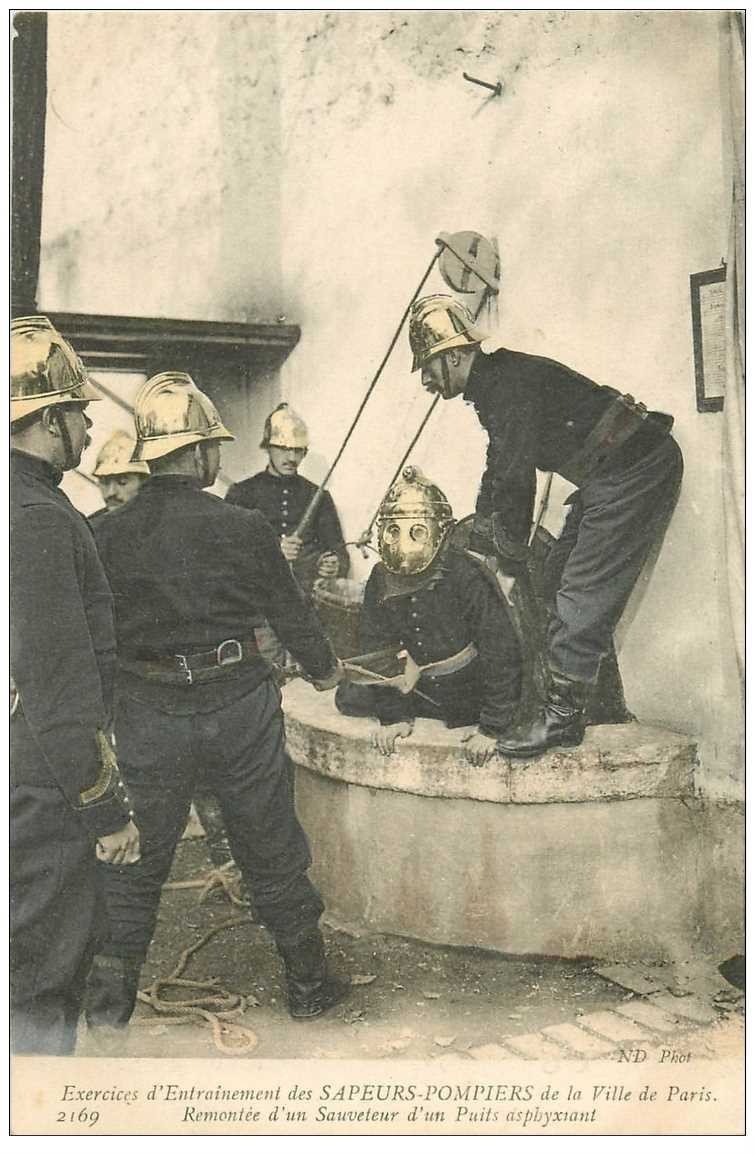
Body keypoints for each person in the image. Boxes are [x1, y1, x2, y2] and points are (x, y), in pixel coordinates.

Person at [84, 372, 349, 1025]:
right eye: (214, 447)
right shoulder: (245, 525)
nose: (218, 459)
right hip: (238, 708)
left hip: (147, 712)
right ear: (198, 452)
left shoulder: (104, 534)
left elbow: (95, 635)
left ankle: (109, 1007)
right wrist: (324, 669)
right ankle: (309, 984)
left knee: (140, 853)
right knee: (268, 842)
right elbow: (290, 616)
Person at [408, 294, 683, 757]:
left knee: (580, 588)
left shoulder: (507, 386)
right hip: (608, 474)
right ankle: (577, 694)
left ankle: (562, 718)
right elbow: (498, 467)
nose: (426, 381)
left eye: (427, 368)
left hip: (636, 469)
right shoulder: (495, 384)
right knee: (555, 574)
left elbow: (516, 481)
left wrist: (508, 561)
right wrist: (481, 540)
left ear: (454, 354)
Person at [10, 315, 141, 1055]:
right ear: (49, 419)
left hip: (30, 774)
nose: (90, 431)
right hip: (47, 790)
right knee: (41, 985)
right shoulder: (32, 517)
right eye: (80, 414)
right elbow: (59, 689)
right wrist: (107, 811)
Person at [335, 466, 523, 766]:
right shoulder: (381, 577)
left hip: (468, 689)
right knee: (348, 696)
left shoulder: (465, 573)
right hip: (418, 689)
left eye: (418, 529)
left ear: (440, 531)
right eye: (394, 529)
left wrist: (492, 728)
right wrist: (394, 716)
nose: (404, 540)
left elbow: (500, 650)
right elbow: (377, 647)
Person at [225, 403, 348, 593]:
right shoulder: (241, 493)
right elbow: (228, 556)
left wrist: (333, 565)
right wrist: (273, 553)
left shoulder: (319, 496)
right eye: (283, 448)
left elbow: (340, 552)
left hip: (307, 597)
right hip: (258, 598)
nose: (291, 457)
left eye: (298, 450)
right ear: (268, 447)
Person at [89, 429, 149, 525]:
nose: (111, 492)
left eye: (122, 482)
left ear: (143, 482)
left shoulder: (160, 524)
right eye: (105, 482)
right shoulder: (92, 526)